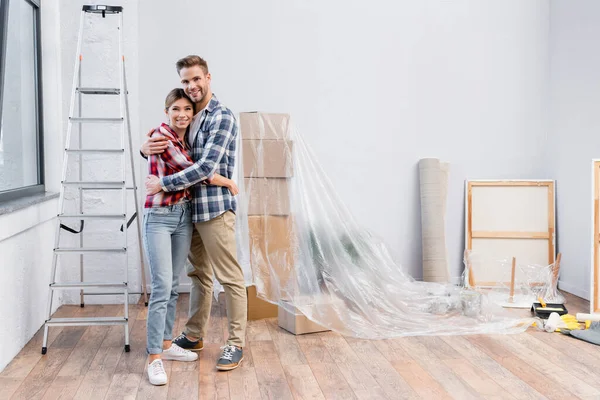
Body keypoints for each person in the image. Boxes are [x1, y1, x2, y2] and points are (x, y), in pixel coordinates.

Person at [142, 55, 248, 371]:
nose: (191, 86)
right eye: (185, 81)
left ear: (208, 78)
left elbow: (204, 167)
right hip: (189, 210)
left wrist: (162, 183)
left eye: (196, 79)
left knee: (229, 276)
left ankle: (235, 343)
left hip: (214, 209)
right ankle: (193, 336)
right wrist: (145, 148)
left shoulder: (222, 117)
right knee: (198, 275)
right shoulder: (188, 116)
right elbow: (170, 150)